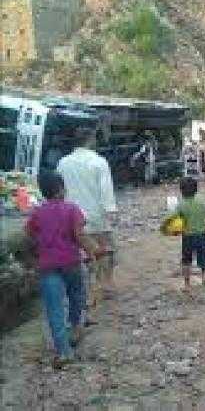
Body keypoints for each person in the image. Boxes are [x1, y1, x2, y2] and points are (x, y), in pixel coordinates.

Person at [25, 172, 98, 369]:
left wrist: (38, 252)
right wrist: (92, 252)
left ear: (43, 192)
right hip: (71, 262)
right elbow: (79, 235)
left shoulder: (37, 213)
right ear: (62, 189)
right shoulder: (72, 209)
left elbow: (30, 234)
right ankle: (75, 328)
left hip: (48, 266)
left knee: (54, 309)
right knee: (76, 296)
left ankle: (64, 351)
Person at [57, 127, 118, 302]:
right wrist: (111, 210)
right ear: (90, 140)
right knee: (105, 249)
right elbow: (106, 190)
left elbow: (60, 190)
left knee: (82, 253)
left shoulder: (63, 163)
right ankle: (106, 284)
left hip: (73, 217)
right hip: (96, 214)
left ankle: (89, 289)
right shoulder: (99, 162)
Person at [170, 177, 205, 296]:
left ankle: (187, 285)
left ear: (181, 191)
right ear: (196, 189)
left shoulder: (180, 205)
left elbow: (175, 225)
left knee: (186, 261)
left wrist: (176, 231)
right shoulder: (201, 202)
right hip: (201, 237)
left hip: (187, 237)